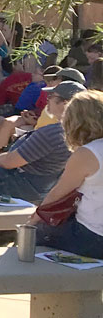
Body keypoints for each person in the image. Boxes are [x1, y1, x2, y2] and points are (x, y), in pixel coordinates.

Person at [32, 90, 103, 257]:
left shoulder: (88, 153)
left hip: (93, 236)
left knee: (36, 232)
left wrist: (34, 219)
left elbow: (58, 194)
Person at [0, 81, 83, 202]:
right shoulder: (80, 131)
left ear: (65, 103)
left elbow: (10, 162)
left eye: (52, 96)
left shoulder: (54, 133)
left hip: (21, 186)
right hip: (43, 186)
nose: (48, 99)